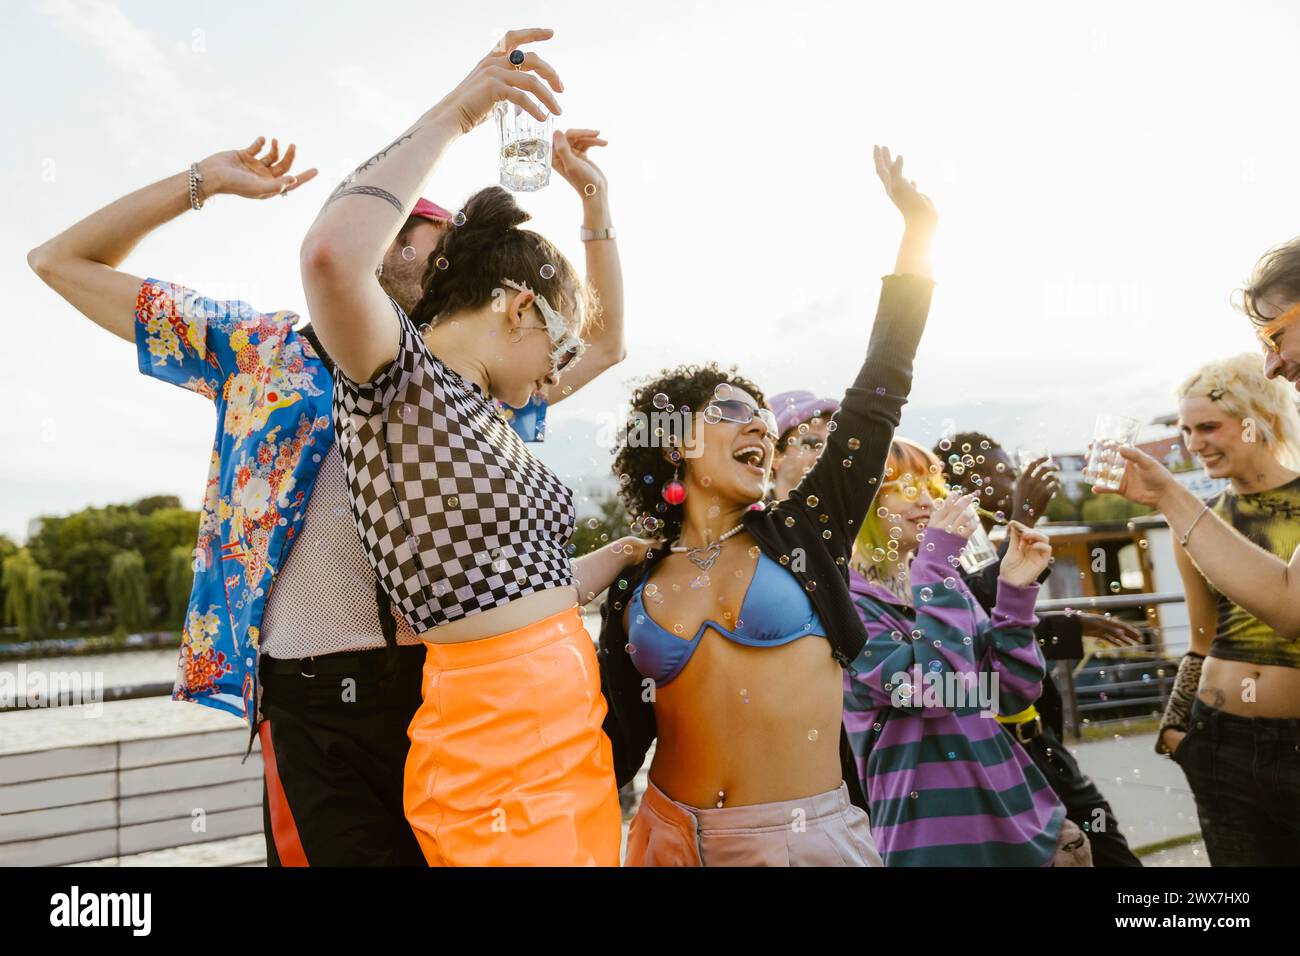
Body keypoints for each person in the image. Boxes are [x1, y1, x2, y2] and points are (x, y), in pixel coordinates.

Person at [27, 126, 627, 869]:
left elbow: (598, 347)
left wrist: (593, 203)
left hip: (447, 692)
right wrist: (199, 184)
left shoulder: (464, 386)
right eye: (427, 234)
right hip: (316, 701)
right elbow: (59, 260)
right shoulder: (255, 350)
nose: (445, 255)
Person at [299, 28, 643, 866]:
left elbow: (610, 346)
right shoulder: (399, 379)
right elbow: (331, 255)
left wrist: (595, 209)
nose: (557, 372)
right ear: (520, 307)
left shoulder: (494, 409)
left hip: (568, 727)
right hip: (495, 743)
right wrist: (461, 109)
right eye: (554, 343)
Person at [597, 145, 936, 866]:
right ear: (673, 443)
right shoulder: (632, 577)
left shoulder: (807, 530)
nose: (759, 425)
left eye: (762, 418)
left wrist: (917, 236)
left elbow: (878, 393)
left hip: (804, 841)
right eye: (729, 410)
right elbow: (611, 744)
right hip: (664, 838)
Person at [843, 437, 1090, 865]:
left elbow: (1013, 692)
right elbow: (936, 693)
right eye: (904, 488)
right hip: (933, 842)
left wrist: (1014, 592)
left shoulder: (942, 583)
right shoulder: (848, 606)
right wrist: (937, 567)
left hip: (1026, 826)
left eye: (929, 485)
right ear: (862, 500)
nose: (926, 501)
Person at [934, 432, 1142, 866]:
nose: (1018, 478)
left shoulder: (982, 542)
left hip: (1040, 743)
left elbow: (996, 625)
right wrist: (1025, 518)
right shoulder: (935, 551)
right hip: (992, 755)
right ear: (969, 484)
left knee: (1110, 853)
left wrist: (1070, 625)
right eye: (1006, 470)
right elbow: (962, 629)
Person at [1145, 354, 1300, 865]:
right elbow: (1201, 637)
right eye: (1186, 430)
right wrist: (1175, 729)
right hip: (1217, 742)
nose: (1193, 443)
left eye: (1209, 426)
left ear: (1261, 420)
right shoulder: (1198, 519)